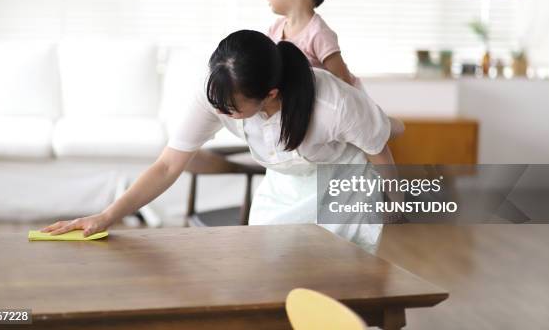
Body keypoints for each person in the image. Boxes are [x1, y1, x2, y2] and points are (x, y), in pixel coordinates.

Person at [42, 30, 396, 253]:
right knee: (271, 272)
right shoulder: (217, 93)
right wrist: (107, 216)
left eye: (232, 109)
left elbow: (380, 154)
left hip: (344, 189)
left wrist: (397, 210)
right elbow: (167, 166)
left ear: (269, 95)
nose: (220, 111)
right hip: (285, 187)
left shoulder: (333, 103)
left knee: (340, 285)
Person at [266, 0, 405, 137]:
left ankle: (385, 124)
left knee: (372, 128)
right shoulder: (275, 29)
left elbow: (342, 80)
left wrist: (353, 113)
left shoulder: (318, 33)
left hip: (341, 100)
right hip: (301, 102)